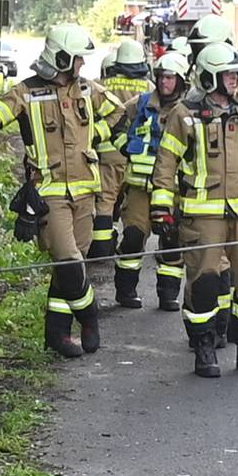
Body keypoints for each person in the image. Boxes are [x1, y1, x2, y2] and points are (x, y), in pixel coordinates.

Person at [0, 23, 111, 359]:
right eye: (78, 59)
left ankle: (57, 335)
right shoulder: (27, 92)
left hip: (85, 193)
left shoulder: (88, 90)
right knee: (68, 261)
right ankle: (89, 316)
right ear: (62, 58)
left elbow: (118, 116)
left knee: (70, 267)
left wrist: (93, 138)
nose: (82, 65)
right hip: (48, 194)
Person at [149, 41, 238, 377]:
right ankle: (204, 348)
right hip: (203, 216)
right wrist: (161, 208)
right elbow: (165, 164)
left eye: (235, 74)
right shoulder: (185, 115)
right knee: (205, 284)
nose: (234, 80)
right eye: (228, 75)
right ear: (210, 76)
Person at [106, 41, 178, 313]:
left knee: (172, 242)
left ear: (180, 80)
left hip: (172, 190)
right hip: (138, 187)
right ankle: (125, 290)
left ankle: (168, 294)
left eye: (170, 78)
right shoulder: (141, 103)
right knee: (134, 237)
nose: (164, 82)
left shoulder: (187, 110)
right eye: (160, 77)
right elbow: (114, 121)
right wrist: (125, 144)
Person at [91, 39, 151, 307]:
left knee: (105, 201)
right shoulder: (149, 88)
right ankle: (129, 241)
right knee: (133, 210)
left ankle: (101, 249)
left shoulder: (101, 85)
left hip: (108, 153)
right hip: (138, 158)